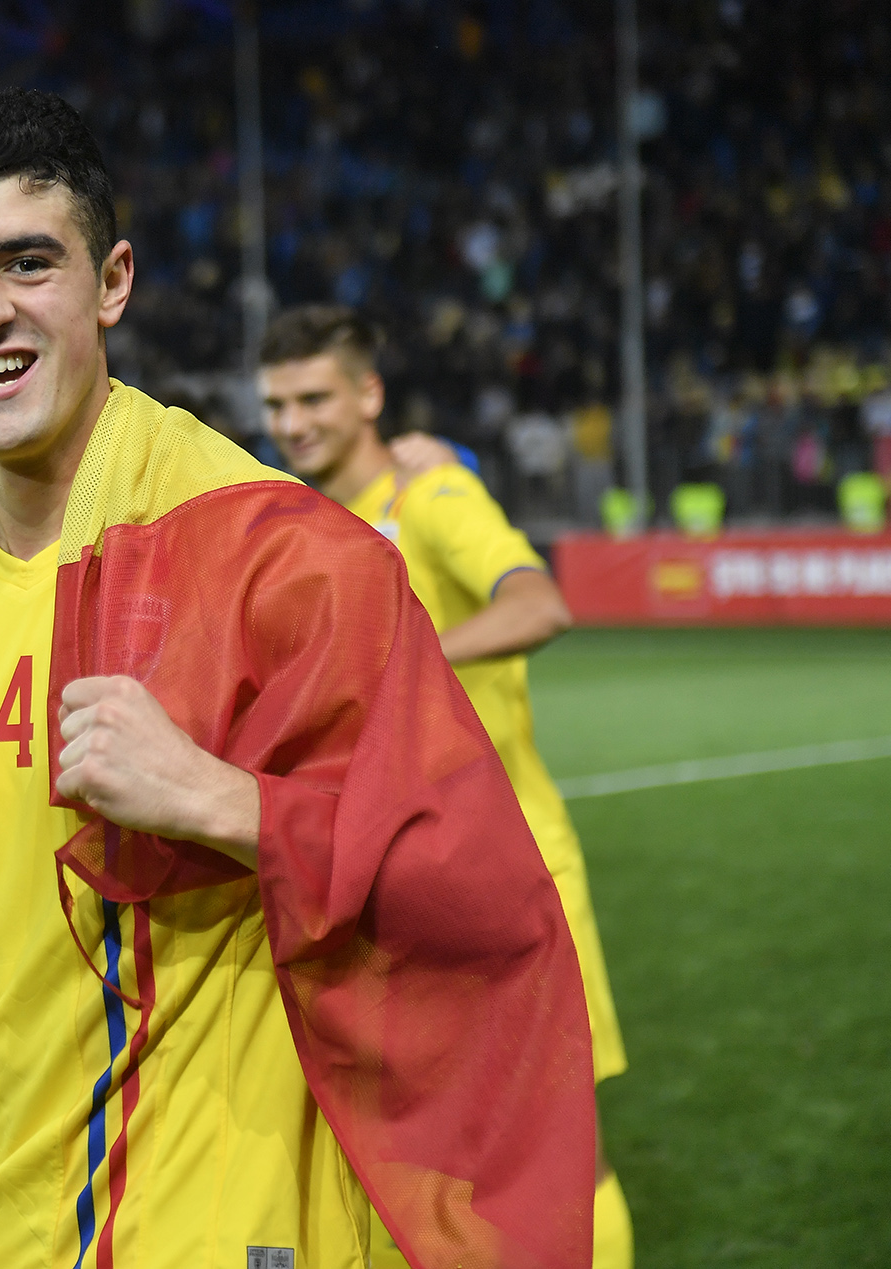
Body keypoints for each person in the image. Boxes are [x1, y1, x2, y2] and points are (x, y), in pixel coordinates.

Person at [0, 86, 596, 1269]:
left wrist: (224, 804)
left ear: (112, 282)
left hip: (221, 1230)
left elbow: (480, 903)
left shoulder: (284, 559)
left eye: (27, 261)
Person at [257, 304, 633, 1269]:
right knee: (429, 1162)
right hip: (402, 883)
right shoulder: (309, 524)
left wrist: (408, 661)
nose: (293, 422)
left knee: (561, 1152)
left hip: (519, 869)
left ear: (369, 394)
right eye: (277, 404)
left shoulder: (434, 493)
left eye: (314, 398)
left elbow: (538, 603)